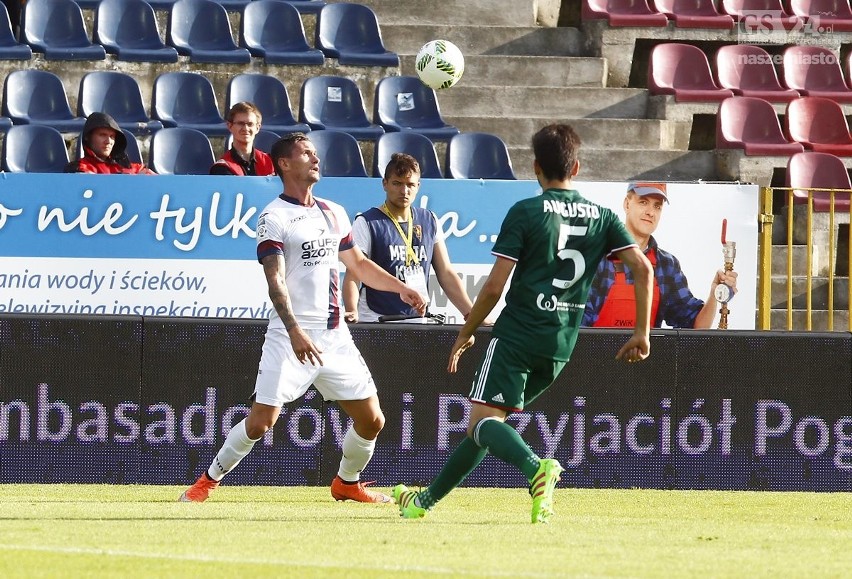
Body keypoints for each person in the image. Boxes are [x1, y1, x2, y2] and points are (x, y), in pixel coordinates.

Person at [391, 124, 653, 524]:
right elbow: (643, 270)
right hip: (560, 344)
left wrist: (467, 330)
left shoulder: (527, 211)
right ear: (577, 167)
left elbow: (495, 285)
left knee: (484, 424)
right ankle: (423, 502)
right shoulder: (602, 217)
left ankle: (536, 470)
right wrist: (641, 332)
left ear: (535, 167)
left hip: (516, 335)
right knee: (485, 424)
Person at [180, 132, 427, 504]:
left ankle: (347, 483)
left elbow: (357, 264)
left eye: (315, 152)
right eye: (306, 153)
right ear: (284, 163)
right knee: (262, 422)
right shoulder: (274, 217)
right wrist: (294, 330)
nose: (315, 158)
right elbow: (274, 281)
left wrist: (401, 288)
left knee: (373, 419)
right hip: (290, 335)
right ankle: (206, 482)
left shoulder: (333, 211)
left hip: (334, 336)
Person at [582, 182, 739, 329]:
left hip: (645, 357)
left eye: (657, 206)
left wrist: (714, 295)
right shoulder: (596, 256)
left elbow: (696, 326)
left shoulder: (666, 265)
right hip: (596, 356)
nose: (650, 212)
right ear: (627, 204)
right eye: (643, 202)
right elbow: (575, 326)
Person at [342, 152, 474, 323]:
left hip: (418, 318)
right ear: (385, 184)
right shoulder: (366, 222)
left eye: (410, 185)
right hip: (376, 318)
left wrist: (472, 314)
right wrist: (352, 311)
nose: (404, 191)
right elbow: (354, 274)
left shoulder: (430, 219)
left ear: (418, 186)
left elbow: (446, 273)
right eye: (397, 183)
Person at [64, 112, 155, 174]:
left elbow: (160, 187)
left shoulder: (136, 169)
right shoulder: (78, 169)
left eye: (112, 137)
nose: (108, 142)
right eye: (102, 135)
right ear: (88, 137)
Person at [209, 102, 274, 176]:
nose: (245, 128)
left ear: (257, 128)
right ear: (230, 126)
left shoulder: (271, 163)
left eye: (250, 124)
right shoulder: (221, 168)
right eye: (240, 123)